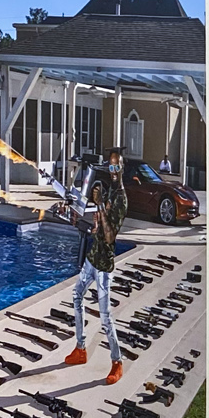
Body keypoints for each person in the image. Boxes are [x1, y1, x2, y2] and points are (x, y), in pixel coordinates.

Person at [63, 150, 127, 385]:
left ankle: (117, 362)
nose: (113, 171)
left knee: (105, 317)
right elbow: (99, 228)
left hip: (104, 264)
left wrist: (99, 204)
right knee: (76, 295)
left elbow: (110, 237)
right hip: (92, 257)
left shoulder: (121, 199)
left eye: (116, 167)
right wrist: (84, 224)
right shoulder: (109, 192)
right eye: (110, 167)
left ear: (122, 168)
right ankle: (81, 348)